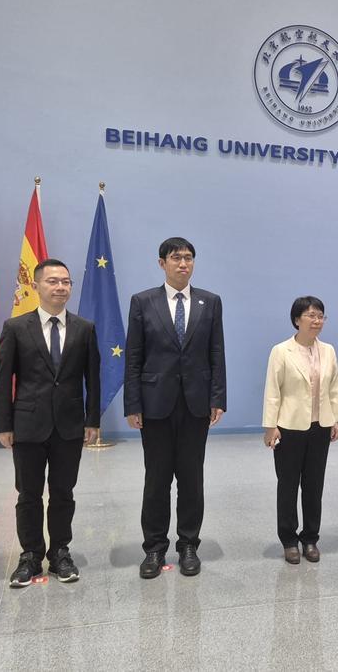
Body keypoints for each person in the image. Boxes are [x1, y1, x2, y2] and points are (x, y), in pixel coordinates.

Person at [0, 258, 100, 588]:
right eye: (53, 281)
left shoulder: (84, 328)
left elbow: (93, 379)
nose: (60, 287)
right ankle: (29, 555)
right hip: (28, 424)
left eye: (65, 282)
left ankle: (60, 553)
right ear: (36, 285)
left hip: (69, 425)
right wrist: (3, 423)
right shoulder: (16, 328)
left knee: (63, 492)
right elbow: (3, 379)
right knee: (28, 493)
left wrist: (92, 420)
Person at [124, 237, 226, 578]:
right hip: (155, 404)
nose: (183, 263)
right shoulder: (143, 301)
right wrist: (133, 403)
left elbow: (216, 352)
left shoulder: (210, 302)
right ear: (162, 263)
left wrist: (217, 398)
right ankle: (154, 548)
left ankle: (188, 545)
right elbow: (134, 355)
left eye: (188, 258)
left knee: (191, 478)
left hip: (196, 404)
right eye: (176, 257)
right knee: (156, 479)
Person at [261, 296, 338, 564]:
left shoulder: (328, 350)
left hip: (320, 427)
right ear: (297, 320)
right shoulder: (281, 351)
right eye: (311, 315)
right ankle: (288, 539)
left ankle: (310, 538)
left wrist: (334, 419)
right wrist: (270, 426)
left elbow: (333, 387)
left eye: (320, 316)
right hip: (289, 427)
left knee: (314, 485)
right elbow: (273, 391)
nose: (316, 321)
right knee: (288, 485)